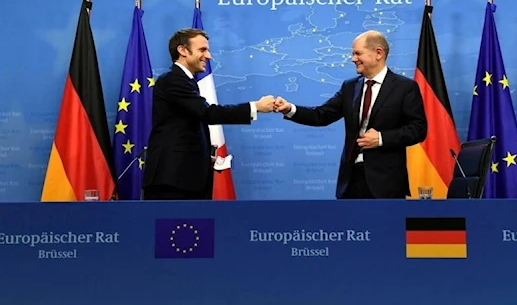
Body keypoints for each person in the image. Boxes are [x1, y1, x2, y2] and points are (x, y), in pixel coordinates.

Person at [274, 30, 427, 199]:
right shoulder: (350, 87)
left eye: (357, 53)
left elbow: (418, 129)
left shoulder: (404, 88)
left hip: (386, 183)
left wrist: (382, 138)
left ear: (378, 53)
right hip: (350, 181)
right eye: (353, 54)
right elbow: (321, 115)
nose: (353, 59)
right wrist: (289, 109)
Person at [142, 28, 275, 200]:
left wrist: (203, 158)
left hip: (184, 177)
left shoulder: (185, 81)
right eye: (202, 50)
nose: (209, 56)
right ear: (182, 50)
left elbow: (184, 128)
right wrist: (255, 107)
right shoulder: (173, 80)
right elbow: (208, 113)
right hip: (172, 181)